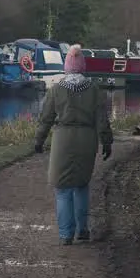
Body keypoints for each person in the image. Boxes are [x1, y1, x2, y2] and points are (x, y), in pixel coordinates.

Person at [34, 45, 113, 245]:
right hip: (87, 139)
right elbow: (102, 119)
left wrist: (39, 140)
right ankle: (82, 229)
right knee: (81, 185)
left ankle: (66, 234)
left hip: (63, 138)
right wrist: (106, 141)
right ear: (83, 66)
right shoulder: (94, 90)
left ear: (67, 66)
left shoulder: (56, 90)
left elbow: (46, 119)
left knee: (62, 188)